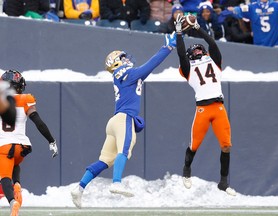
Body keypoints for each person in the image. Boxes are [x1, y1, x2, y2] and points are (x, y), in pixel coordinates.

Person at [70, 32, 177, 208]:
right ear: (116, 62)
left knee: (105, 160)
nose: (127, 59)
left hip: (114, 122)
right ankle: (116, 182)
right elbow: (150, 65)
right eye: (123, 57)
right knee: (125, 150)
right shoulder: (125, 73)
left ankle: (79, 188)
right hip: (124, 119)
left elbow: (145, 72)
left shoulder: (123, 76)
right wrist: (167, 48)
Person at [173, 14, 236, 196]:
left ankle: (223, 182)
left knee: (226, 145)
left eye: (200, 48)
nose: (199, 51)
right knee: (194, 145)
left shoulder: (214, 62)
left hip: (218, 107)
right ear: (191, 55)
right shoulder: (188, 68)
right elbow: (180, 54)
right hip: (203, 108)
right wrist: (179, 34)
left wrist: (199, 28)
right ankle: (186, 170)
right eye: (195, 50)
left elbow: (213, 45)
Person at [0, 70, 58, 216]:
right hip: (22, 147)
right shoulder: (26, 99)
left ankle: (13, 202)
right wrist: (51, 140)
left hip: (4, 147)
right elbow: (38, 122)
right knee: (15, 163)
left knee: (4, 177)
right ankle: (17, 184)